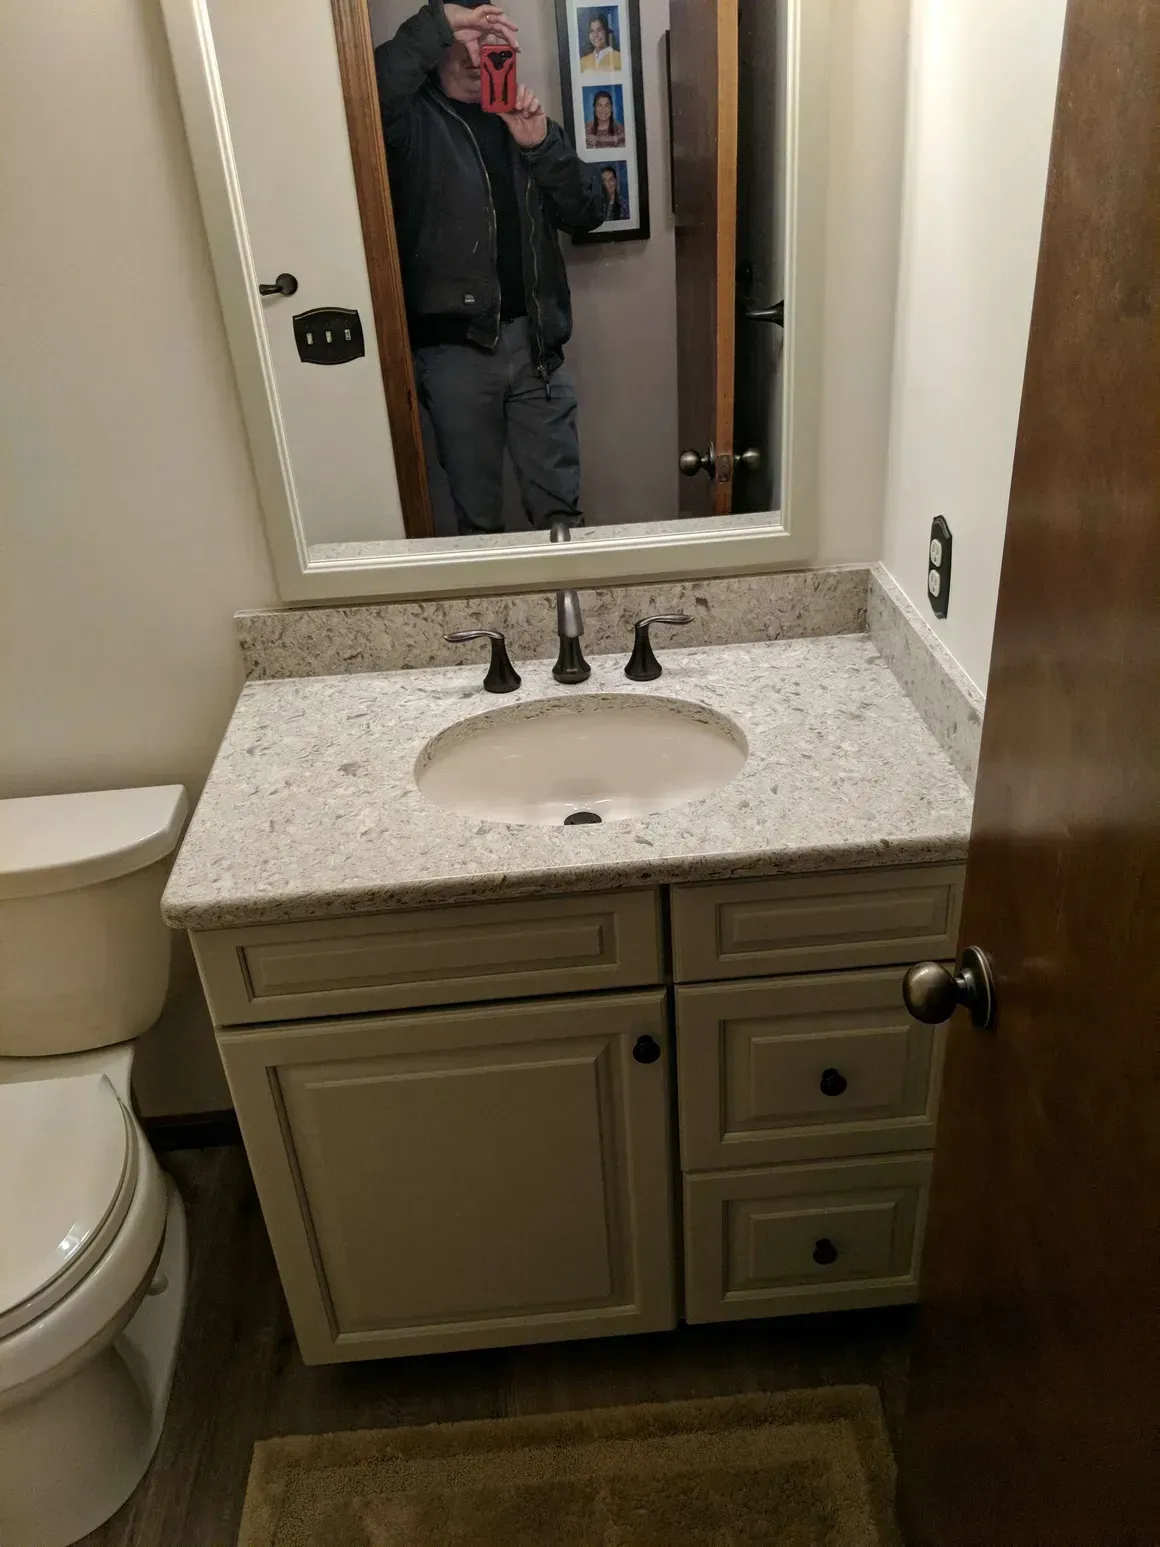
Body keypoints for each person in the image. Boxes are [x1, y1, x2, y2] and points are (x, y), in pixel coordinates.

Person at [375, 3, 605, 536]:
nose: (479, 57)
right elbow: (370, 90)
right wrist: (435, 23)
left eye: (490, 41)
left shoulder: (526, 121)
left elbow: (589, 212)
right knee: (477, 522)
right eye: (465, 40)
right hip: (455, 351)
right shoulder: (409, 123)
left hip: (537, 348)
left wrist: (542, 145)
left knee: (563, 518)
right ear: (438, 48)